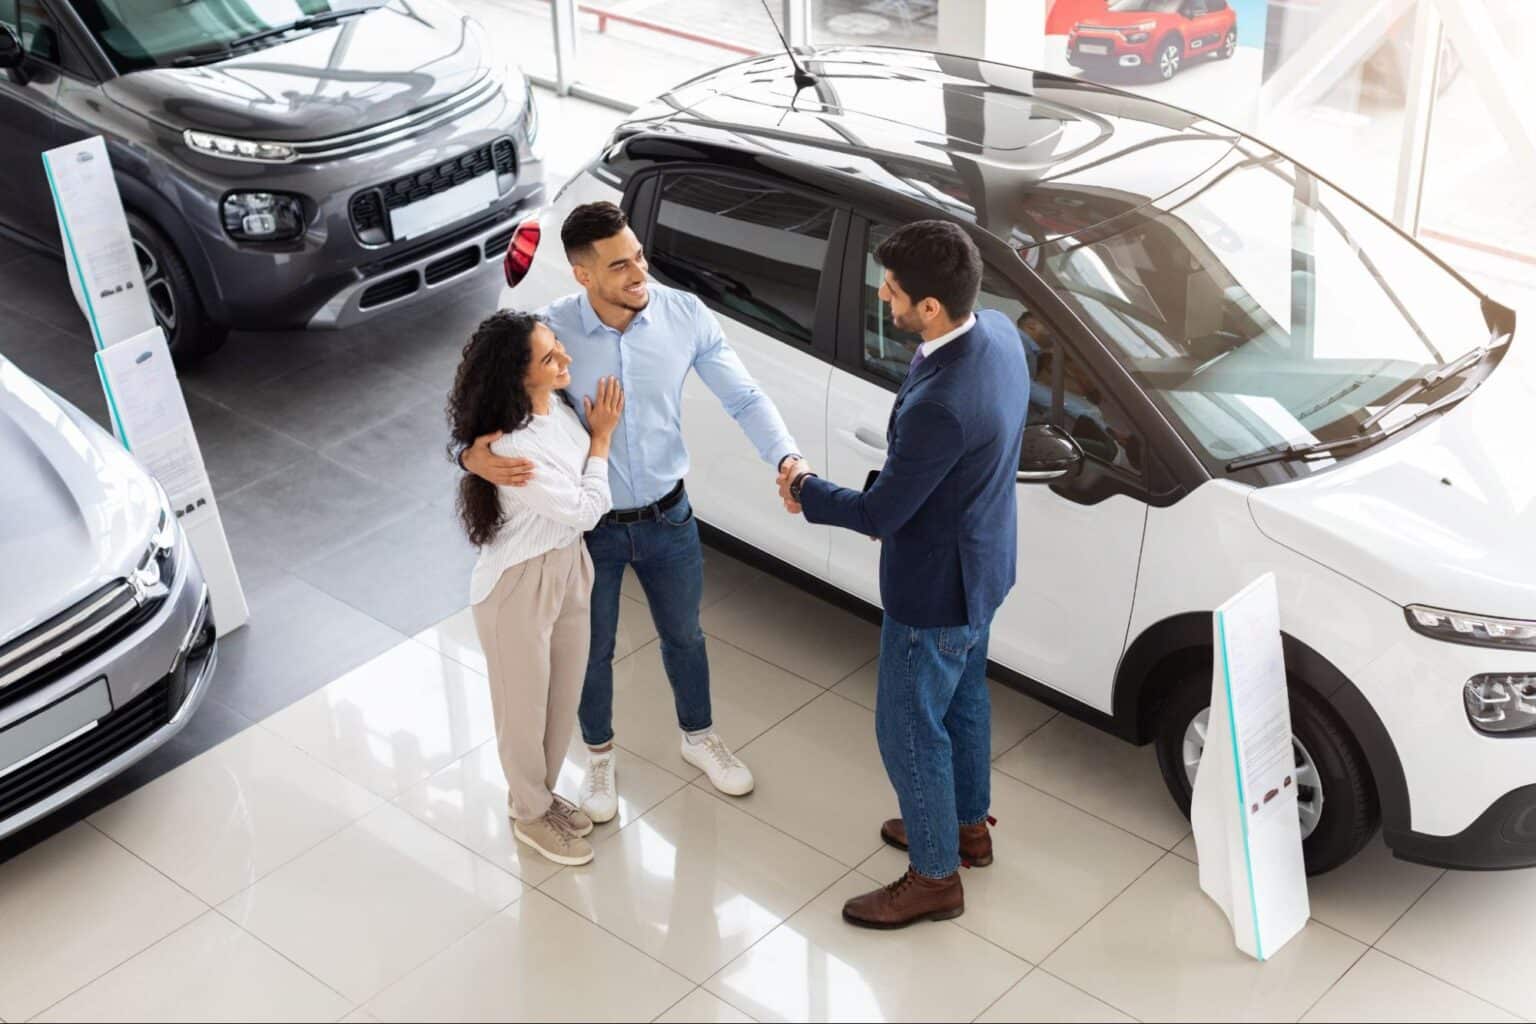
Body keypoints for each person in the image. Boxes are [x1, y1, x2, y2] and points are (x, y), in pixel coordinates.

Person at [460, 201, 804, 821]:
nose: (639, 272)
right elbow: (480, 394)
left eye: (639, 256)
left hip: (670, 518)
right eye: (620, 266)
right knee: (592, 650)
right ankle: (599, 757)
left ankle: (700, 738)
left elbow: (745, 396)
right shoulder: (550, 333)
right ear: (582, 274)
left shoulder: (684, 315)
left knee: (685, 636)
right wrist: (468, 455)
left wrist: (786, 457)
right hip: (589, 533)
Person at [777, 220, 1031, 929]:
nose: (880, 298)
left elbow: (883, 512)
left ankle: (933, 876)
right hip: (986, 566)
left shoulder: (940, 404)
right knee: (964, 704)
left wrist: (804, 487)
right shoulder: (1002, 338)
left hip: (935, 589)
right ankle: (966, 828)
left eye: (891, 291)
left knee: (909, 728)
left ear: (929, 307)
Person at [448, 309, 625, 866]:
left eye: (558, 350)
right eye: (550, 358)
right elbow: (586, 509)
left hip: (570, 568)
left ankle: (540, 796)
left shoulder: (559, 413)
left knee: (560, 699)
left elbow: (579, 510)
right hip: (518, 586)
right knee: (521, 711)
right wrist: (602, 444)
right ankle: (527, 814)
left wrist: (591, 440)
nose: (565, 360)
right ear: (518, 374)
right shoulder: (508, 447)